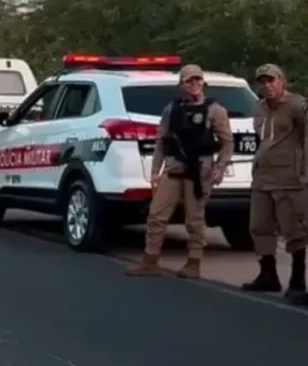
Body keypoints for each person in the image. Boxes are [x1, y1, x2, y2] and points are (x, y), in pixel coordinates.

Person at [125, 64, 233, 278]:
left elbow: (227, 142)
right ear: (181, 85)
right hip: (174, 168)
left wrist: (220, 167)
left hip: (199, 170)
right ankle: (150, 260)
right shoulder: (172, 109)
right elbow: (161, 141)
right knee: (156, 215)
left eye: (198, 80)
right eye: (189, 81)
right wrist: (155, 171)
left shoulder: (215, 110)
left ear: (203, 82)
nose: (194, 84)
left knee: (194, 219)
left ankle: (193, 262)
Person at [240, 63, 308, 303]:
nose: (267, 86)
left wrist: (304, 172)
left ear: (282, 81)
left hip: (290, 179)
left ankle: (298, 280)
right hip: (263, 177)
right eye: (262, 82)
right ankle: (268, 275)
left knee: (295, 230)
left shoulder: (296, 105)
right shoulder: (259, 108)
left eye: (271, 80)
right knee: (259, 227)